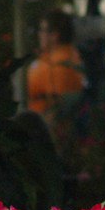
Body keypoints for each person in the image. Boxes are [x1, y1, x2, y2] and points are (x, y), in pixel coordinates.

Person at [25, 10, 85, 144]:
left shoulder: (53, 66)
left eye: (42, 30)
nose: (39, 35)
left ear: (54, 35)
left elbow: (55, 106)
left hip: (48, 134)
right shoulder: (72, 57)